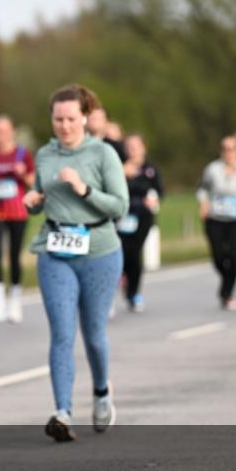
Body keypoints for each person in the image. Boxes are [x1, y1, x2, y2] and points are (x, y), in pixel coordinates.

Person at [23, 84, 128, 442]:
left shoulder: (103, 154)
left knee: (94, 335)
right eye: (58, 119)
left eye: (71, 118)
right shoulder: (45, 155)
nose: (65, 126)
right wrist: (32, 201)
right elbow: (41, 198)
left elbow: (120, 207)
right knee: (62, 334)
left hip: (99, 251)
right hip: (56, 250)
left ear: (84, 117)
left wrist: (84, 189)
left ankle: (101, 392)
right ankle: (62, 412)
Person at [0, 116, 35, 323]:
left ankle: (15, 302)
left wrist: (23, 174)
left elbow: (33, 181)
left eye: (3, 130)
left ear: (12, 132)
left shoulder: (22, 154)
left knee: (14, 256)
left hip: (18, 211)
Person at [197, 135, 236, 310]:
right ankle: (227, 284)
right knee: (219, 257)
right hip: (215, 219)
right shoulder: (212, 169)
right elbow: (202, 189)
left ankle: (227, 292)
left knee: (233, 256)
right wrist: (203, 204)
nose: (228, 153)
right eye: (225, 149)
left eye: (232, 149)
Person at [117, 133, 163, 312]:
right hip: (122, 217)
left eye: (136, 146)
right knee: (122, 253)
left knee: (135, 254)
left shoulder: (151, 170)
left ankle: (134, 292)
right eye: (129, 147)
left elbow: (159, 191)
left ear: (144, 148)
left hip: (142, 218)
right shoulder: (120, 168)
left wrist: (153, 199)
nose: (132, 150)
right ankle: (123, 280)